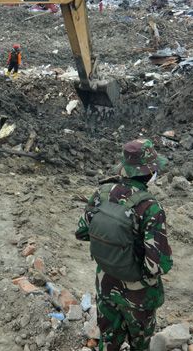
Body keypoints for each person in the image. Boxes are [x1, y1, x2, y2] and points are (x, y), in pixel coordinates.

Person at [75, 139, 173, 351]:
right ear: (149, 172)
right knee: (140, 345)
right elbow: (157, 265)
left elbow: (82, 232)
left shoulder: (102, 193)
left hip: (105, 285)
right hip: (138, 296)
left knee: (108, 341)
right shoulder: (150, 207)